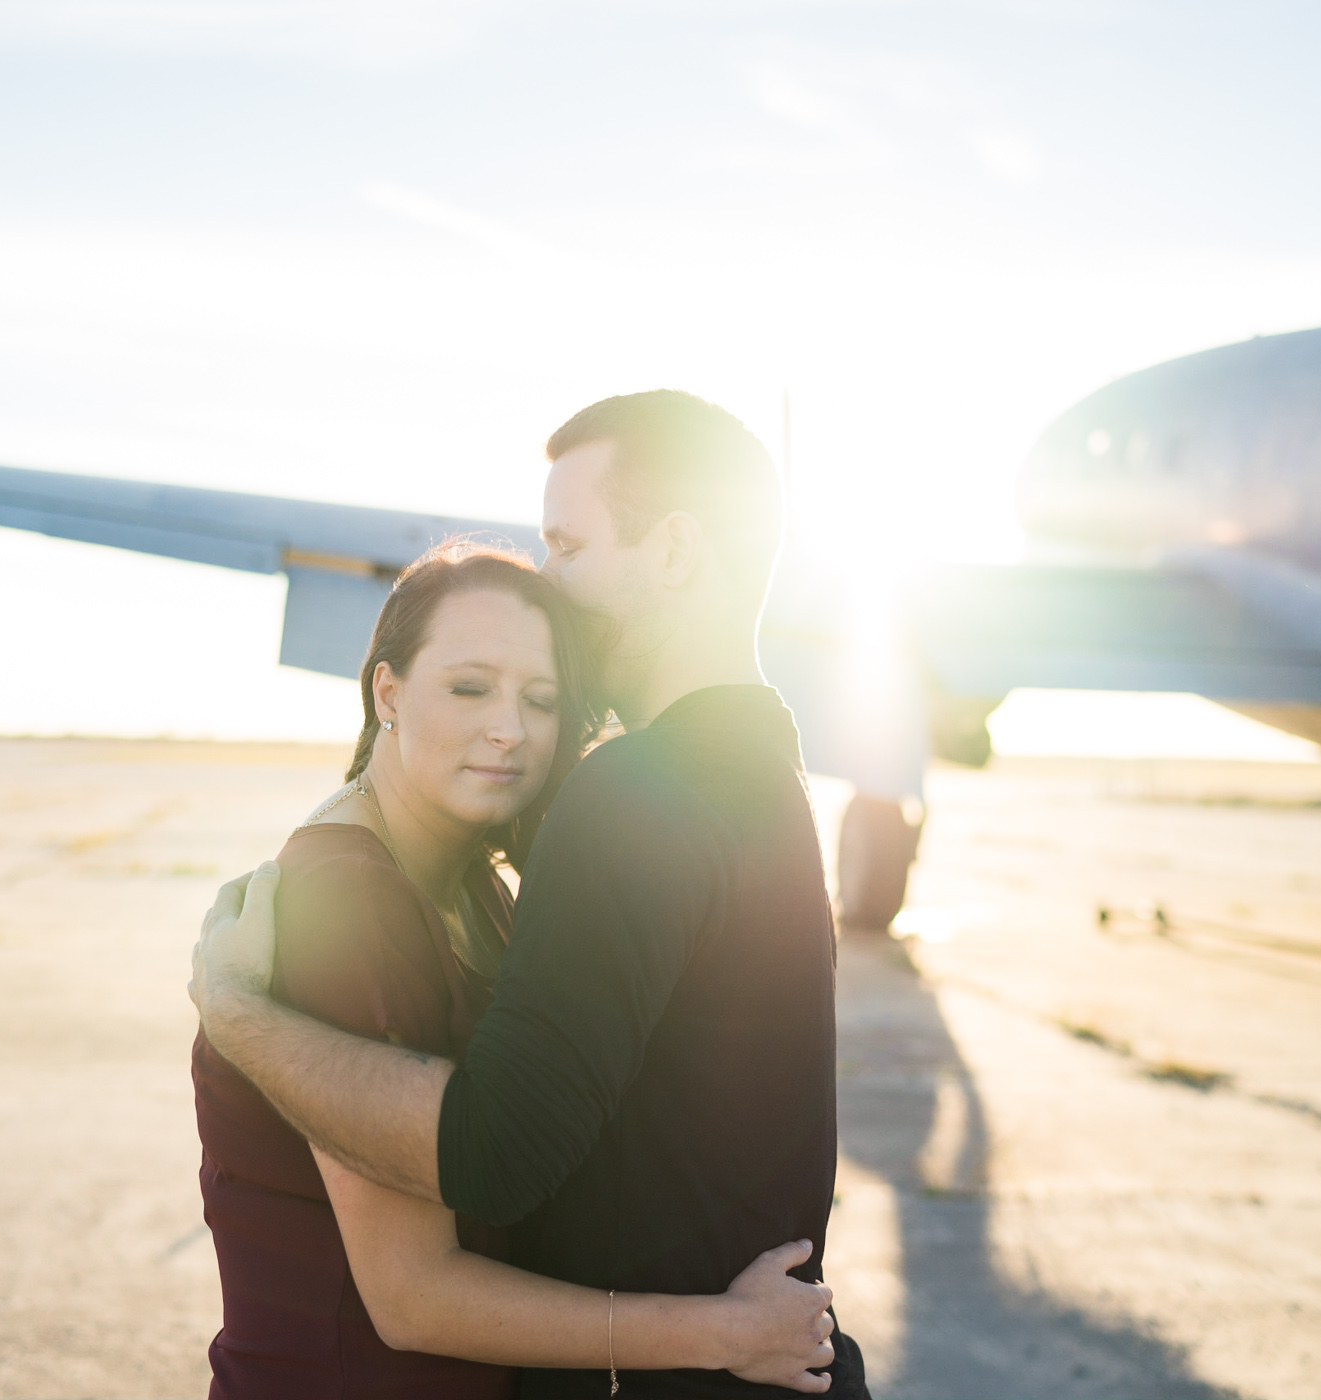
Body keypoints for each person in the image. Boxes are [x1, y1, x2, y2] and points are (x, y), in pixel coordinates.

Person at [192, 391, 869, 1398]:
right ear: (389, 691)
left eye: (569, 544)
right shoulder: (764, 769)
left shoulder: (640, 792)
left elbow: (494, 1150)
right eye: (470, 686)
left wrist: (241, 1014)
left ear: (675, 552)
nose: (549, 581)